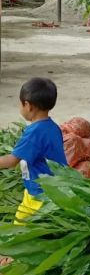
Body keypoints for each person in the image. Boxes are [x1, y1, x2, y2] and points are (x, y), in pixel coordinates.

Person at [0, 78, 66, 225]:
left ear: (28, 105)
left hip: (41, 195)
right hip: (47, 189)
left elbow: (11, 161)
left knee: (20, 232)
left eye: (20, 103)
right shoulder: (52, 127)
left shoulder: (35, 133)